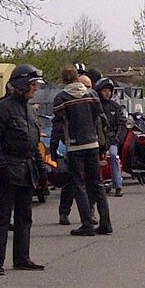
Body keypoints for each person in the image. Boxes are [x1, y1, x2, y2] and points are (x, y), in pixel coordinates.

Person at [0, 64, 46, 275]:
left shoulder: (30, 110)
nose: (36, 88)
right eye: (33, 84)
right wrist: (1, 166)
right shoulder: (2, 108)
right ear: (22, 84)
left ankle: (22, 258)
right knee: (2, 218)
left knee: (25, 216)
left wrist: (41, 168)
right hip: (9, 169)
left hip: (27, 169)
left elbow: (33, 142)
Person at [52, 66, 112, 236]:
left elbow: (58, 126)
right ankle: (106, 223)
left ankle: (87, 224)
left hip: (75, 146)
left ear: (63, 79)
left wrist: (53, 149)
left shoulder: (61, 98)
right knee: (97, 183)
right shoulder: (92, 95)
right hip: (93, 143)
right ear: (77, 77)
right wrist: (104, 144)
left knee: (79, 185)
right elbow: (102, 120)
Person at [95, 77, 126, 195]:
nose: (107, 93)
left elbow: (121, 125)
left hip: (112, 140)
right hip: (97, 140)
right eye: (104, 91)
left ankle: (118, 186)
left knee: (113, 155)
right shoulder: (95, 107)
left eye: (109, 90)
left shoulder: (115, 107)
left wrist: (116, 140)